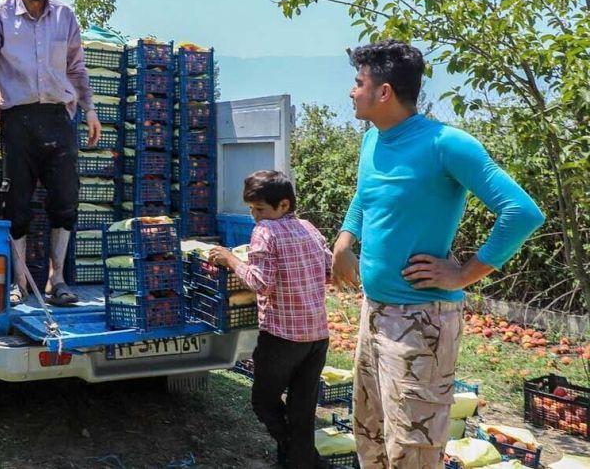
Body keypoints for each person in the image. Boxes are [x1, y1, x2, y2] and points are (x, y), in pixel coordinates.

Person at [331, 40, 545, 468]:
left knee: (412, 449)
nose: (352, 92)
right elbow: (365, 195)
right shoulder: (373, 139)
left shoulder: (447, 144)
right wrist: (344, 240)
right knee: (370, 435)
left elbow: (521, 212)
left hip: (421, 321)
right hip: (373, 312)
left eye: (359, 83)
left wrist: (465, 273)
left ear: (384, 91)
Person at [0, 0, 101, 306]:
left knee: (66, 198)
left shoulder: (65, 15)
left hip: (58, 117)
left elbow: (77, 68)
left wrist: (89, 109)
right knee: (17, 201)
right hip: (18, 119)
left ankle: (58, 279)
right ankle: (20, 280)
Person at [208, 170, 331, 469]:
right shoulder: (309, 228)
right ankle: (304, 462)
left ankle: (306, 459)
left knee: (264, 402)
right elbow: (329, 269)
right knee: (302, 410)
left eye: (260, 209)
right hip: (317, 336)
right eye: (251, 209)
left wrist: (231, 259)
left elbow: (260, 282)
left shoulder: (266, 232)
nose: (254, 216)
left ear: (283, 205)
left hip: (282, 339)